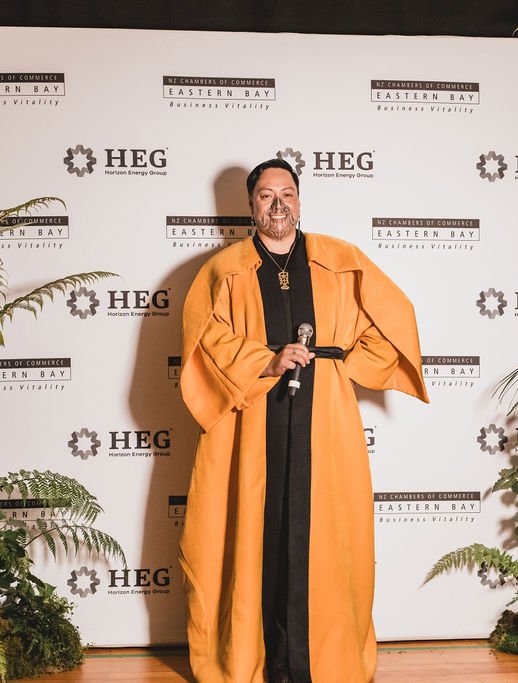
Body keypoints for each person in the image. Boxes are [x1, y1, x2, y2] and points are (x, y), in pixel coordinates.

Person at [179, 158, 428, 682]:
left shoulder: (339, 261)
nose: (278, 205)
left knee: (328, 532)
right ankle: (253, 658)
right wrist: (264, 362)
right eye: (266, 195)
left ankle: (327, 660)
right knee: (253, 529)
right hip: (252, 420)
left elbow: (389, 315)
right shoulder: (223, 272)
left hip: (325, 416)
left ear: (299, 199)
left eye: (287, 194)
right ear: (250, 206)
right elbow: (207, 339)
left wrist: (345, 360)